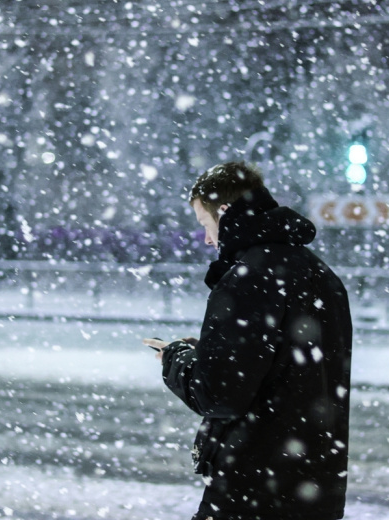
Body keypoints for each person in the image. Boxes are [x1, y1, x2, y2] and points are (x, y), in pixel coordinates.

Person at [144, 161, 352, 520]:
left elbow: (219, 393)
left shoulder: (249, 277)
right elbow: (288, 367)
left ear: (224, 211)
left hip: (254, 486)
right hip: (317, 483)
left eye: (205, 224)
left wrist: (176, 359)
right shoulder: (320, 273)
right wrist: (208, 352)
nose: (208, 239)